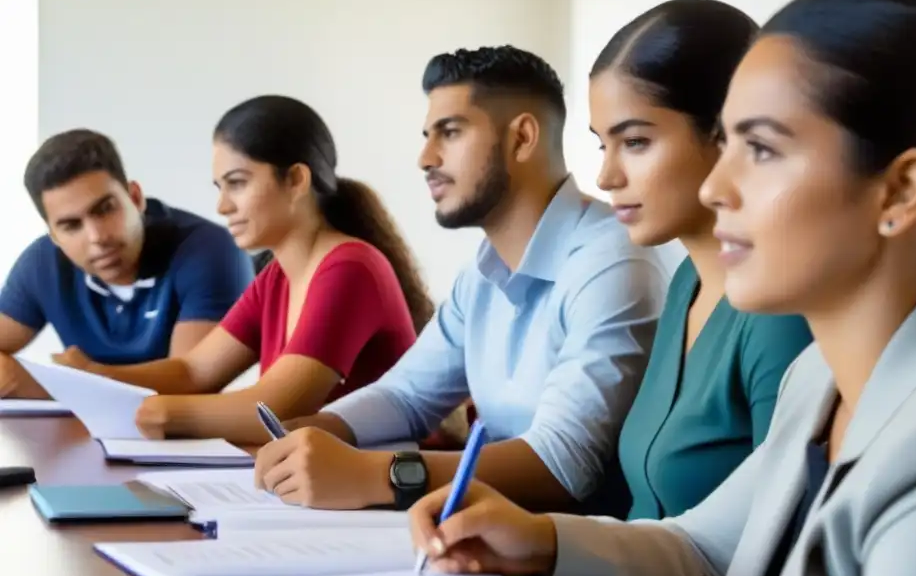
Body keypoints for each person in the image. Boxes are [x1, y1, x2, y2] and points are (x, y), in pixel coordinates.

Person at [408, 0, 916, 576]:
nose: (715, 187)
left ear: (901, 190)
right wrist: (538, 539)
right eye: (725, 144)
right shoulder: (819, 380)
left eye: (761, 150)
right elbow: (704, 547)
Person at [253, 45, 668, 514]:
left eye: (449, 133)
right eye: (428, 135)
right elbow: (407, 396)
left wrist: (372, 473)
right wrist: (308, 436)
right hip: (488, 538)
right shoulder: (483, 271)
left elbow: (564, 462)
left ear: (523, 137)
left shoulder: (613, 260)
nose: (425, 157)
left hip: (569, 558)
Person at [53, 96, 432, 442]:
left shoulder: (351, 268)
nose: (222, 206)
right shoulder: (276, 276)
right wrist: (93, 374)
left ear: (297, 180)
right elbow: (194, 372)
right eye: (219, 187)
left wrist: (165, 412)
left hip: (381, 499)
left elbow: (277, 409)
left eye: (236, 184)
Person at [590, 0, 812, 522]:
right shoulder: (689, 280)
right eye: (602, 145)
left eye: (636, 142)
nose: (606, 177)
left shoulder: (778, 314)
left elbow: (775, 539)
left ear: (726, 134)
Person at [0, 129, 252, 399]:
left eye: (105, 209)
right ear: (55, 236)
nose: (97, 238)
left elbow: (192, 384)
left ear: (135, 197)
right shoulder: (42, 262)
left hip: (176, 437)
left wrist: (65, 382)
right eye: (71, 226)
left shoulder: (210, 250)